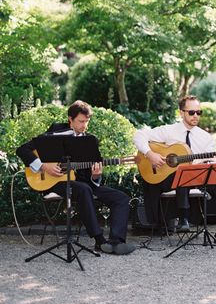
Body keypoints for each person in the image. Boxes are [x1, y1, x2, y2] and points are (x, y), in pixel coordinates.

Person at [16, 100, 135, 255]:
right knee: (84, 189)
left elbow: (93, 176)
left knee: (121, 198)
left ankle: (116, 242)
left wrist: (95, 175)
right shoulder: (55, 131)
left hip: (84, 183)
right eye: (80, 121)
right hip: (56, 182)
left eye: (87, 121)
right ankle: (99, 241)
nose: (84, 125)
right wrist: (44, 166)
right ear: (70, 120)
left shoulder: (90, 140)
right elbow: (22, 150)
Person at [133, 95, 216, 246]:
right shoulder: (169, 131)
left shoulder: (205, 137)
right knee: (182, 171)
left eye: (199, 112)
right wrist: (150, 154)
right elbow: (139, 135)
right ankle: (183, 217)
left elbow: (209, 162)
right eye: (191, 112)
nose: (196, 116)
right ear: (181, 113)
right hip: (169, 178)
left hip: (198, 177)